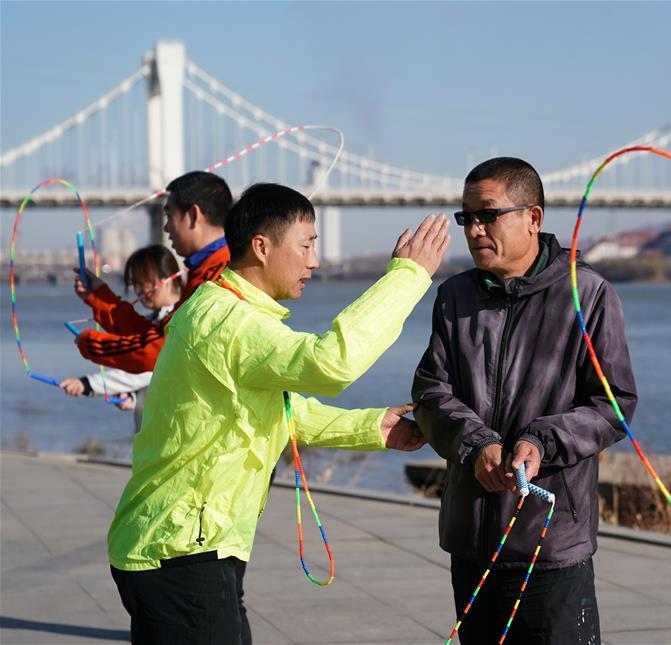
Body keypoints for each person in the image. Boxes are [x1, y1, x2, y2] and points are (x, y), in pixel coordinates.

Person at [108, 183, 450, 645]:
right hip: (181, 550)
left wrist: (372, 427)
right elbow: (332, 362)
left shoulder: (223, 309)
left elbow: (278, 413)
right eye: (306, 245)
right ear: (262, 246)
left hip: (186, 543)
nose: (315, 261)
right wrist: (408, 277)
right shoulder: (230, 322)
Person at [412, 157, 638, 644]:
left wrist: (540, 441)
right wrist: (476, 446)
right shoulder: (453, 297)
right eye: (466, 217)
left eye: (488, 215)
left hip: (552, 544)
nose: (474, 230)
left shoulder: (589, 294)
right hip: (472, 543)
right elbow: (431, 391)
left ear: (533, 218)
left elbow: (613, 404)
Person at [73, 171, 232, 374]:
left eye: (169, 216)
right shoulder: (206, 270)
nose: (165, 228)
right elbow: (160, 334)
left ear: (193, 215)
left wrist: (91, 343)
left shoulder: (219, 278)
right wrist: (99, 297)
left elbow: (162, 350)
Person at [61, 245, 184, 432]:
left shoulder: (181, 321)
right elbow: (159, 378)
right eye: (136, 284)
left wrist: (87, 383)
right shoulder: (154, 322)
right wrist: (135, 398)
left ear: (167, 279)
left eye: (145, 283)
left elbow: (144, 360)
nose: (140, 291)